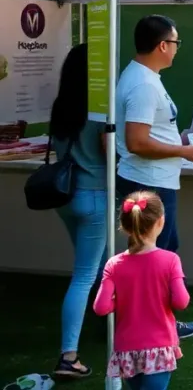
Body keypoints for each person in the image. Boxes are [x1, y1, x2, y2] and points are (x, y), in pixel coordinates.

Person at [115, 16, 193, 341]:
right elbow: (137, 142)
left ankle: (159, 323)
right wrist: (182, 151)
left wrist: (177, 140)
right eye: (176, 42)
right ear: (163, 45)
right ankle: (152, 328)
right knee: (153, 258)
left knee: (161, 252)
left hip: (154, 180)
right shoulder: (142, 83)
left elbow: (150, 131)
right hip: (148, 182)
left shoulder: (146, 77)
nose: (177, 49)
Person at [50, 45, 108, 379]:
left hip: (65, 198)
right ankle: (68, 356)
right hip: (94, 196)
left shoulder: (61, 105)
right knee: (85, 275)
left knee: (100, 266)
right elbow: (107, 151)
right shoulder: (98, 108)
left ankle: (112, 321)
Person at [94, 192, 190, 390]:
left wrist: (122, 301)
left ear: (125, 226)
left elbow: (101, 307)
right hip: (159, 346)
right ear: (161, 222)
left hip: (127, 349)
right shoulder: (170, 260)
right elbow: (181, 302)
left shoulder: (114, 264)